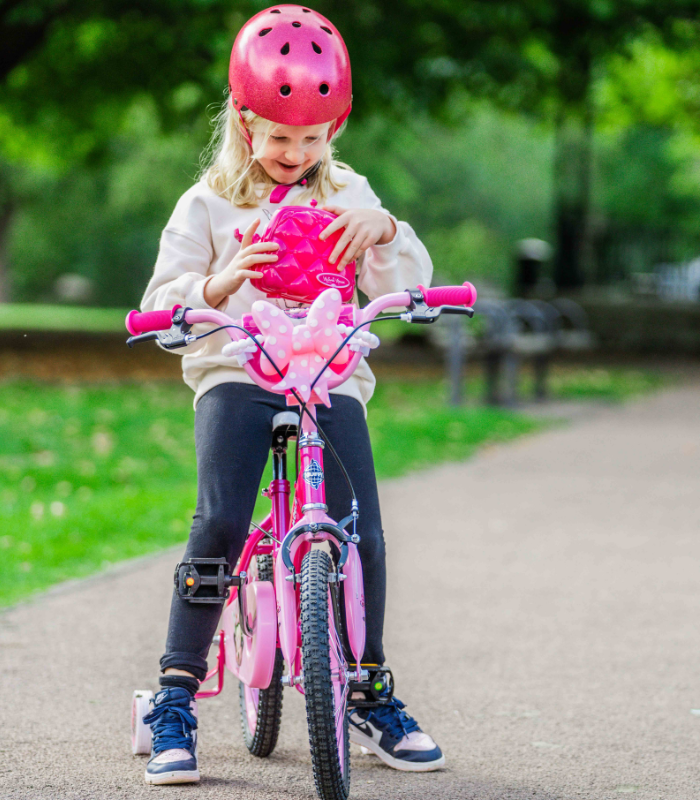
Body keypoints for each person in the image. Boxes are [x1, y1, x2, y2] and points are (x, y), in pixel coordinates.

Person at [139, 4, 443, 785]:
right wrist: (216, 283)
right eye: (278, 136)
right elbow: (165, 300)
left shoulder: (349, 193)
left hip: (327, 372)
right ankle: (175, 696)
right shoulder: (207, 202)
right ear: (244, 122)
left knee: (362, 530)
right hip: (239, 370)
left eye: (312, 139)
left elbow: (407, 288)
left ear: (333, 130)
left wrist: (382, 232)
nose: (294, 153)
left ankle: (369, 685)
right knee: (221, 520)